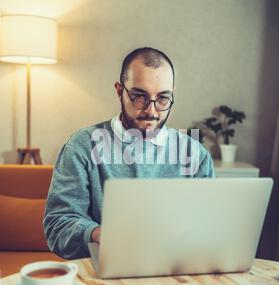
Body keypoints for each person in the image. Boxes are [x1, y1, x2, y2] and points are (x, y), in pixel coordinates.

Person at [44, 47, 215, 259]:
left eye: (162, 98)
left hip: (175, 271)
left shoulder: (195, 154)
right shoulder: (82, 146)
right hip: (106, 273)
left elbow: (208, 228)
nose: (151, 111)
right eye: (139, 96)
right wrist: (98, 234)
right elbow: (57, 226)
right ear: (119, 91)